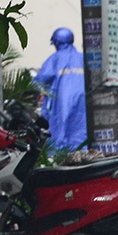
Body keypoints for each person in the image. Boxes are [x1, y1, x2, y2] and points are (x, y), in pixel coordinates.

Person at [35, 27, 88, 155]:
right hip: (83, 103)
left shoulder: (54, 59)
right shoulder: (83, 58)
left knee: (60, 132)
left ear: (56, 42)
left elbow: (40, 80)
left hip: (61, 103)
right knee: (81, 131)